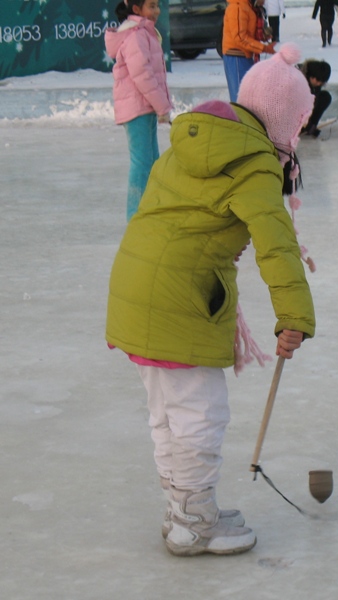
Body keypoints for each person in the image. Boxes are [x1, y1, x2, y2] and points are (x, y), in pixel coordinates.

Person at [105, 43, 316, 557]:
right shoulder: (255, 161)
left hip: (135, 291)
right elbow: (275, 242)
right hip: (180, 299)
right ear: (285, 123)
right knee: (199, 413)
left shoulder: (195, 138)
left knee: (169, 413)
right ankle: (195, 521)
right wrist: (295, 316)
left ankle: (184, 511)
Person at [105, 0, 171, 222]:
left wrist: (159, 105)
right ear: (136, 9)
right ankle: (136, 217)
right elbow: (142, 75)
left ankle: (151, 211)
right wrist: (162, 105)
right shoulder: (135, 35)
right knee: (142, 162)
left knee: (153, 160)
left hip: (146, 106)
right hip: (137, 108)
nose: (157, 11)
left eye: (158, 6)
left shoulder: (144, 32)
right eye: (151, 6)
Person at [222, 0, 277, 102]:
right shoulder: (237, 7)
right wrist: (263, 48)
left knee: (248, 98)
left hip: (245, 55)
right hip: (236, 57)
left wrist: (263, 35)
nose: (264, 2)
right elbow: (240, 37)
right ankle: (238, 118)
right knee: (240, 100)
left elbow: (248, 33)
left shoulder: (247, 7)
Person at [299, 59, 332, 137]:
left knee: (325, 97)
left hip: (303, 109)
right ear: (311, 75)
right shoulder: (297, 79)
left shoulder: (315, 83)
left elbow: (314, 101)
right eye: (318, 80)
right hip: (285, 113)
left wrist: (311, 124)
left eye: (322, 82)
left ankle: (309, 127)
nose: (319, 83)